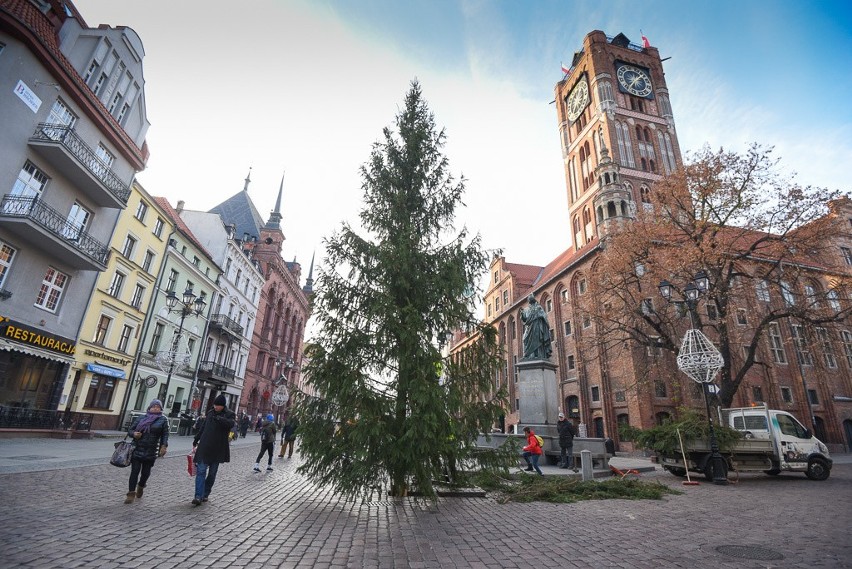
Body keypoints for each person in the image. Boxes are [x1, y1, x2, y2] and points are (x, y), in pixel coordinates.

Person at [191, 394, 236, 506]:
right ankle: (198, 496)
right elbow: (204, 427)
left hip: (218, 448)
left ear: (223, 406)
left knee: (212, 474)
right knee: (201, 471)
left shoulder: (229, 414)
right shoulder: (210, 412)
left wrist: (220, 419)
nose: (215, 407)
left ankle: (205, 493)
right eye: (215, 405)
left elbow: (231, 424)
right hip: (205, 446)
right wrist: (196, 438)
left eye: (218, 405)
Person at [124, 399, 169, 504]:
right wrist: (134, 434)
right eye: (153, 406)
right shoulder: (141, 418)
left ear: (161, 409)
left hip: (151, 450)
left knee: (145, 473)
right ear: (149, 407)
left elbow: (165, 434)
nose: (155, 408)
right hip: (137, 448)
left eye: (158, 407)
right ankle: (131, 494)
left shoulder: (163, 420)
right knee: (134, 471)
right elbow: (130, 430)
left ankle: (141, 485)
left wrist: (164, 446)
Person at [521, 294, 552, 360]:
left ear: (533, 299)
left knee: (537, 340)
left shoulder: (538, 307)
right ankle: (528, 355)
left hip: (536, 326)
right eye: (528, 299)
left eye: (530, 298)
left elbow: (544, 316)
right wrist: (522, 315)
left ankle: (537, 355)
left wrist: (538, 314)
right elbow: (525, 319)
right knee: (525, 339)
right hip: (529, 327)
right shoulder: (526, 309)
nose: (529, 300)